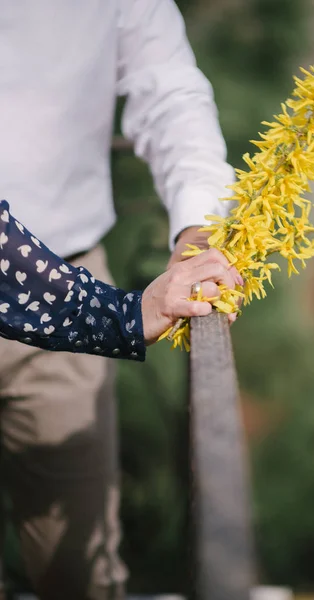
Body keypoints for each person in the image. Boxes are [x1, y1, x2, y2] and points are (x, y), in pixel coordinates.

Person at [0, 2, 236, 599]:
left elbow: (170, 89)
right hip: (70, 299)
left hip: (71, 269)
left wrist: (198, 225)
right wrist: (121, 314)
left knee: (80, 570)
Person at [0, 199, 239, 357]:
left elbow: (173, 122)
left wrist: (194, 222)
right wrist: (124, 313)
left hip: (72, 261)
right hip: (65, 296)